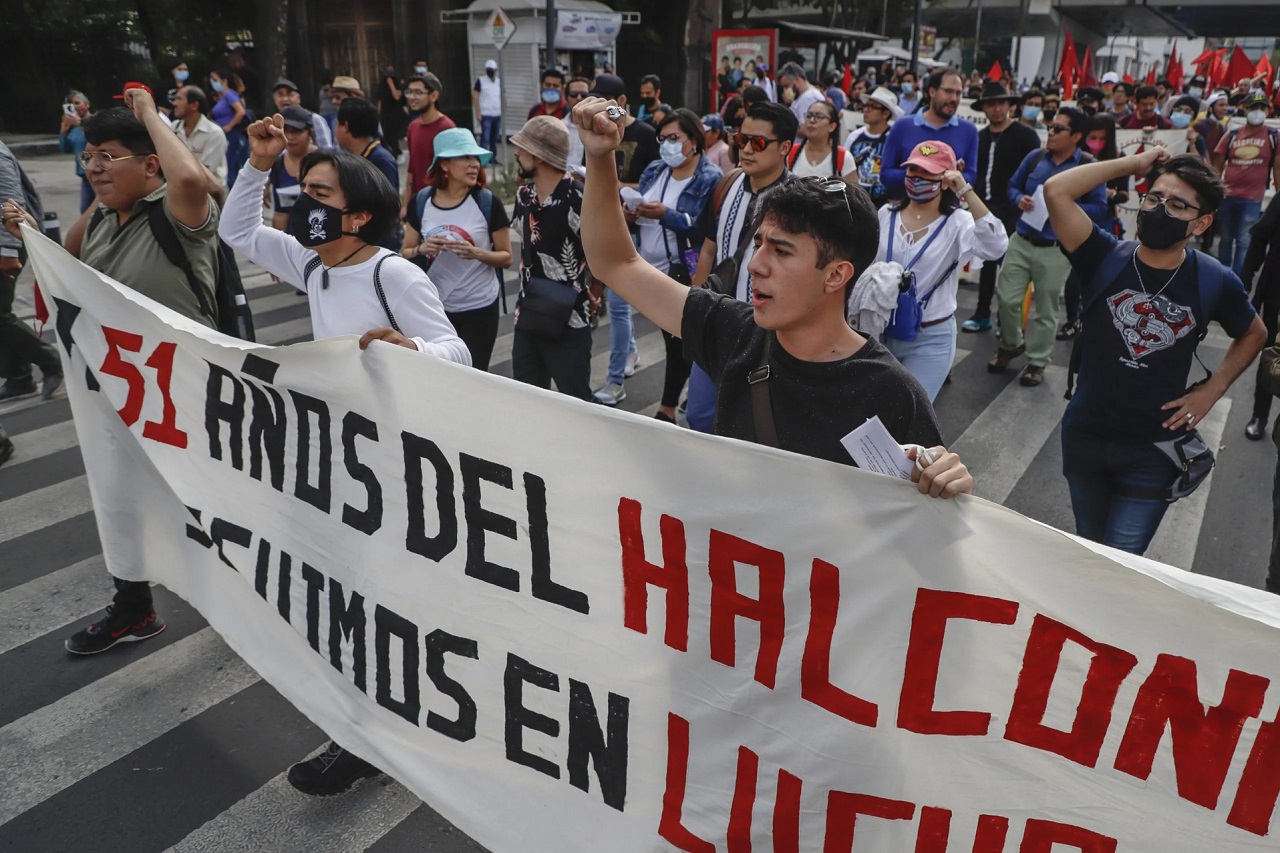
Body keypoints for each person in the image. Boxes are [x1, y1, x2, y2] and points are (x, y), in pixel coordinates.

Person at [219, 111, 470, 796]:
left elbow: (461, 351)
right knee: (346, 598)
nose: (305, 207)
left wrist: (413, 348)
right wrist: (258, 162)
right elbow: (236, 231)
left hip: (393, 466)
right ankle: (367, 729)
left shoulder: (394, 275)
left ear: (358, 216)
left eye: (321, 196)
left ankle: (373, 733)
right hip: (335, 463)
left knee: (378, 600)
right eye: (303, 193)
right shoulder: (314, 266)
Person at [572, 95, 972, 493]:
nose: (755, 265)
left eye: (781, 251)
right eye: (759, 243)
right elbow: (616, 263)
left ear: (836, 275)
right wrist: (599, 155)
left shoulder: (891, 392)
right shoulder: (733, 330)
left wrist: (945, 485)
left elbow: (926, 531)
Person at [4, 88, 219, 654]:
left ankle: (258, 605)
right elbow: (66, 260)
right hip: (121, 393)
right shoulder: (102, 219)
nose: (94, 166)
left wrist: (149, 113)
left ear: (150, 164)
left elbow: (193, 181)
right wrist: (41, 228)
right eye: (88, 156)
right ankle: (134, 609)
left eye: (107, 155)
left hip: (183, 394)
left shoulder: (179, 211)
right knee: (119, 496)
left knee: (208, 505)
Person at [1043, 148, 1265, 555]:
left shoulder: (1214, 280)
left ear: (1202, 223)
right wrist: (1134, 164)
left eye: (1178, 205)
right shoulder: (1103, 256)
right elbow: (1057, 190)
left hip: (1153, 450)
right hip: (1086, 438)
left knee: (1123, 563)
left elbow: (1254, 333)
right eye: (1154, 198)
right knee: (1090, 549)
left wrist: (1212, 390)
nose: (1160, 210)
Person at [598, 109, 722, 412]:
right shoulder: (655, 169)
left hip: (681, 269)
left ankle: (669, 406)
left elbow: (704, 230)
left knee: (678, 340)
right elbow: (637, 201)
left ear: (694, 141)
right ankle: (618, 378)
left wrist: (668, 216)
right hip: (640, 261)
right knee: (620, 313)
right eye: (662, 138)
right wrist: (632, 213)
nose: (667, 144)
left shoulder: (710, 177)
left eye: (674, 138)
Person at [685, 102, 797, 431]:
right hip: (716, 320)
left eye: (758, 143)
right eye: (741, 139)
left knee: (756, 422)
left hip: (766, 333)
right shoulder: (726, 184)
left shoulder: (798, 202)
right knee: (700, 415)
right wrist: (694, 305)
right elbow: (707, 249)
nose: (746, 149)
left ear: (785, 148)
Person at [872, 140, 1007, 399]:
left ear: (946, 180)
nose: (917, 178)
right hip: (879, 331)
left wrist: (966, 190)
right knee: (876, 413)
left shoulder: (959, 222)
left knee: (910, 416)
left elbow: (996, 246)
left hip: (930, 338)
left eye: (927, 173)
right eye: (913, 170)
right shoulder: (886, 214)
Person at [988, 107, 1107, 386]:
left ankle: (1037, 362)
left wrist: (1064, 205)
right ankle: (1010, 344)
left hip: (1056, 247)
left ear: (1076, 136)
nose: (1050, 133)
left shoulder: (1087, 167)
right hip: (1022, 239)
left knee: (1045, 308)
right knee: (1006, 298)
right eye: (1050, 127)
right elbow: (1013, 186)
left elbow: (1100, 208)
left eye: (1057, 129)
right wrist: (1019, 199)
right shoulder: (1035, 157)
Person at [402, 128, 511, 370]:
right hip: (435, 309)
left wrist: (477, 253)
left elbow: (506, 257)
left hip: (480, 308)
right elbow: (405, 252)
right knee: (440, 375)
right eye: (465, 158)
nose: (474, 165)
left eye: (476, 159)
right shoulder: (421, 202)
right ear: (444, 166)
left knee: (473, 374)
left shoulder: (487, 202)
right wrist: (423, 248)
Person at [508, 116, 591, 400]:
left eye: (522, 147)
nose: (516, 153)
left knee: (577, 403)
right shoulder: (523, 195)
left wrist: (596, 289)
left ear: (540, 155)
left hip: (571, 318)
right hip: (528, 313)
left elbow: (604, 255)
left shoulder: (581, 198)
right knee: (529, 400)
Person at [962, 81, 1042, 334]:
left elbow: (1035, 172)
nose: (996, 109)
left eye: (1001, 103)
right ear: (983, 107)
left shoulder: (1026, 136)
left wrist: (1025, 199)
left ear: (1010, 105)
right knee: (985, 262)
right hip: (984, 207)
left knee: (1010, 268)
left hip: (1015, 209)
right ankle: (982, 313)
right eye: (990, 104)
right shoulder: (978, 136)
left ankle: (1005, 319)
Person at [0, 138, 62, 402]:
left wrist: (8, 250)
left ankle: (52, 362)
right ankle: (18, 376)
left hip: (5, 241)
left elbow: (9, 200)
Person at [1058, 114, 1129, 340]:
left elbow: (1125, 195)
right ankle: (1072, 320)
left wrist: (1111, 194)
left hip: (1103, 225)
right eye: (1092, 137)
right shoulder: (1078, 159)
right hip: (1075, 227)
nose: (1096, 141)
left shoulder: (1119, 159)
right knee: (1073, 280)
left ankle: (1095, 322)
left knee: (1100, 278)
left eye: (1101, 138)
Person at [880, 67, 979, 198]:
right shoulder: (902, 126)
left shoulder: (969, 130)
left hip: (949, 214)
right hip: (904, 212)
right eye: (948, 91)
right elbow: (886, 175)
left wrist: (952, 176)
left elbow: (970, 177)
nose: (954, 98)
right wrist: (921, 173)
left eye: (958, 93)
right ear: (932, 91)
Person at [1212, 93, 1280, 278]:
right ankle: (1223, 276)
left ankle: (1237, 281)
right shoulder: (1233, 134)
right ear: (1245, 109)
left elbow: (1277, 166)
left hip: (1252, 198)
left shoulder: (1273, 135)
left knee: (1244, 241)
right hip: (1228, 194)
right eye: (1253, 107)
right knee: (1225, 239)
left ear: (1267, 111)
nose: (1257, 112)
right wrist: (1213, 191)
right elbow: (1217, 165)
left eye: (1262, 108)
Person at [1242, 200, 1280, 440]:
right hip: (1277, 291)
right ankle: (1260, 414)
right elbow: (1260, 235)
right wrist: (1246, 276)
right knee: (1272, 356)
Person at [403, 73, 456, 213]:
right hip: (419, 203)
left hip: (442, 205)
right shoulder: (412, 127)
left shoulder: (447, 128)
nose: (412, 97)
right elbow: (411, 169)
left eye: (418, 92)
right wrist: (405, 205)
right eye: (409, 92)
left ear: (434, 96)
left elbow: (454, 172)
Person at [843, 86, 901, 209]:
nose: (866, 110)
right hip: (856, 204)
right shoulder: (855, 136)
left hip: (884, 204)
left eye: (872, 107)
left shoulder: (894, 138)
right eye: (865, 106)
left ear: (885, 113)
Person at [170, 86, 229, 200]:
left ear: (194, 105)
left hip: (209, 197)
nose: (174, 103)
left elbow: (205, 172)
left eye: (179, 99)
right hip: (181, 193)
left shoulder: (214, 133)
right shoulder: (174, 128)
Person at [267, 105, 318, 232]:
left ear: (309, 133)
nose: (290, 137)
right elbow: (280, 214)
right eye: (286, 131)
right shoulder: (278, 166)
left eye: (296, 131)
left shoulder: (324, 162)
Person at [788, 100, 854, 180]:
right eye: (809, 115)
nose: (812, 120)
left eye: (819, 116)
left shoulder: (844, 158)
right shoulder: (790, 152)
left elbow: (852, 192)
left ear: (832, 126)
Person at [210, 69, 249, 187]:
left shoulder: (229, 95)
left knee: (232, 169)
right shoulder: (220, 98)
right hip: (225, 137)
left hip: (233, 136)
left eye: (215, 80)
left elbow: (240, 112)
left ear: (224, 81)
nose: (213, 82)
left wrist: (229, 126)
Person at [272, 78, 334, 150]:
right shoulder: (273, 123)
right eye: (280, 95)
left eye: (289, 94)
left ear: (298, 98)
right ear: (275, 100)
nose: (285, 99)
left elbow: (326, 149)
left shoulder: (314, 119)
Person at [59, 90, 94, 213]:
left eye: (77, 103)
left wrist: (81, 124)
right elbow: (65, 149)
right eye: (71, 104)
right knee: (85, 210)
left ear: (87, 104)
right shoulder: (73, 128)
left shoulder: (95, 122)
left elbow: (96, 139)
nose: (75, 107)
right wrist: (63, 131)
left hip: (96, 170)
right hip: (83, 173)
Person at [777, 63, 825, 129]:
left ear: (797, 79)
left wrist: (784, 125)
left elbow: (806, 128)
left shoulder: (809, 97)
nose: (785, 90)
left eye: (786, 86)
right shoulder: (801, 96)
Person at [473, 59, 503, 155]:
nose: (491, 71)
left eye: (492, 69)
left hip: (497, 114)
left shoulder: (499, 82)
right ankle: (483, 159)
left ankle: (493, 158)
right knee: (485, 138)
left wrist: (504, 109)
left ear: (496, 70)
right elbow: (475, 96)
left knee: (494, 138)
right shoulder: (481, 81)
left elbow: (503, 95)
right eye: (489, 69)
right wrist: (478, 112)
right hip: (486, 114)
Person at [375, 66, 405, 158]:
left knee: (393, 134)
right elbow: (380, 100)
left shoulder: (397, 84)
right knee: (386, 134)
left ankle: (395, 151)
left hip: (395, 113)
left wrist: (391, 84)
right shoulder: (382, 86)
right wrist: (378, 114)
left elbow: (396, 96)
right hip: (385, 113)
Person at [564, 77, 592, 168]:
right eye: (573, 94)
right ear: (566, 98)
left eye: (584, 95)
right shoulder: (558, 127)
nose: (579, 98)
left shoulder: (598, 127)